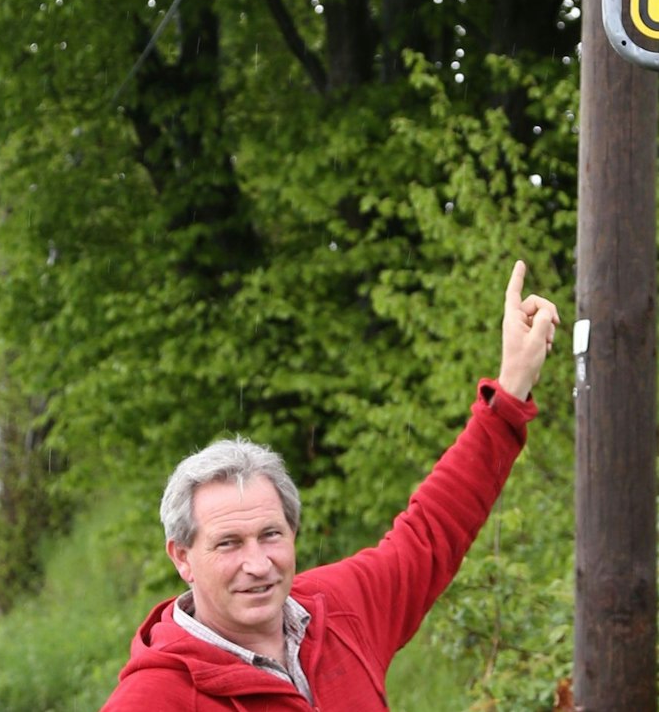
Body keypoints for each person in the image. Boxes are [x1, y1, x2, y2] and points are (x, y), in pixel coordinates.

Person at [103, 259, 561, 710]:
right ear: (182, 556)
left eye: (270, 534)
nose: (258, 564)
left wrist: (511, 388)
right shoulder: (157, 697)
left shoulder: (339, 611)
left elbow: (430, 532)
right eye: (228, 544)